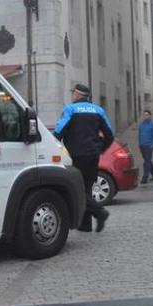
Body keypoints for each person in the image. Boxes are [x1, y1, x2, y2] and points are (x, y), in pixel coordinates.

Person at [53, 84, 113, 233]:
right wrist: (101, 149)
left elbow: (58, 131)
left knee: (78, 189)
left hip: (77, 155)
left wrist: (55, 147)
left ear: (78, 95)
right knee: (86, 188)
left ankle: (100, 212)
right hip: (93, 155)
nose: (72, 95)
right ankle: (85, 225)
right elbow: (110, 134)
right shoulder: (98, 110)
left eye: (73, 93)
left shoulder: (70, 109)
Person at [138, 110, 153, 184]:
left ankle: (145, 178)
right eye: (144, 115)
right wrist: (140, 143)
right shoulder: (141, 125)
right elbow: (140, 134)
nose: (145, 116)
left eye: (147, 115)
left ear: (150, 116)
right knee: (148, 161)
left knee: (146, 162)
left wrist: (152, 145)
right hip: (142, 146)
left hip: (149, 146)